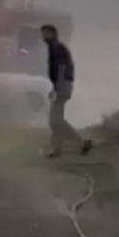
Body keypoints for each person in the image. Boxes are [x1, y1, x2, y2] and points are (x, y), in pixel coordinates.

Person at [41, 24, 92, 158]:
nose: (43, 37)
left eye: (46, 34)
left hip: (63, 85)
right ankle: (57, 149)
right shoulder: (55, 47)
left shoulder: (57, 48)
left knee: (55, 121)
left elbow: (62, 68)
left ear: (53, 34)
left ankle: (81, 142)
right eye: (43, 34)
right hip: (63, 84)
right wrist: (54, 87)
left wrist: (58, 87)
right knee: (57, 121)